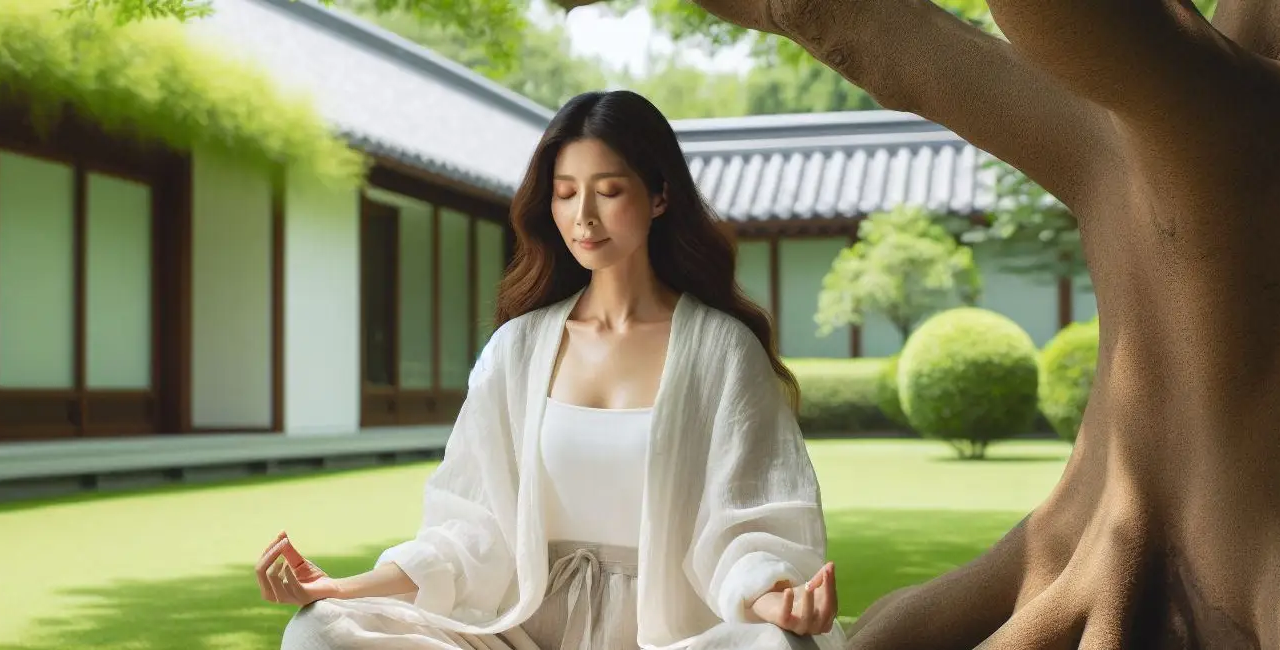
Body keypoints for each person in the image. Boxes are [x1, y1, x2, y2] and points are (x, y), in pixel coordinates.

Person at [255, 89, 845, 650]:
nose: (583, 215)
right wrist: (339, 589)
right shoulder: (518, 348)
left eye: (609, 190)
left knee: (782, 644)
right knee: (321, 630)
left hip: (671, 637)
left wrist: (774, 600)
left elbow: (748, 523)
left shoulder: (722, 350)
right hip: (522, 635)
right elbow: (469, 532)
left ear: (660, 195)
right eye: (565, 193)